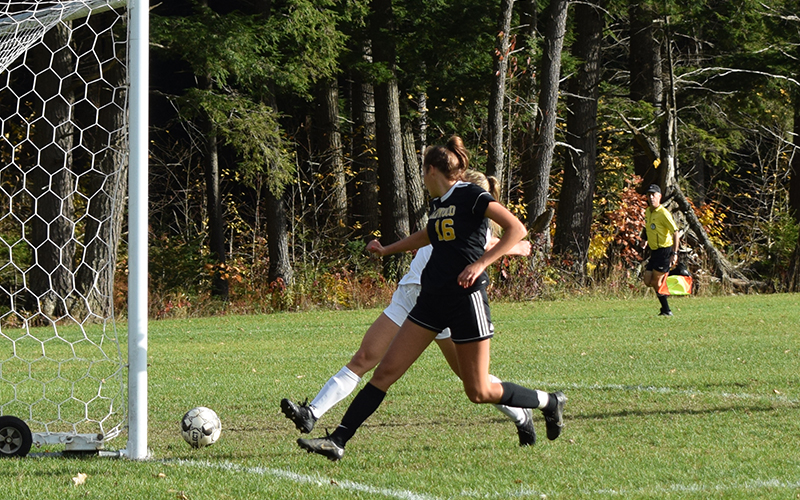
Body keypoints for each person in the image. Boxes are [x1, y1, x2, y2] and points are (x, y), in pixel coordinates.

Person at [296, 136, 566, 461]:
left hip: (466, 301)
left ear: (431, 170)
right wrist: (386, 249)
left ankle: (549, 402)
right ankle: (337, 441)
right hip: (431, 301)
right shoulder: (440, 204)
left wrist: (479, 264)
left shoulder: (471, 194)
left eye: (422, 172)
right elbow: (427, 235)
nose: (422, 179)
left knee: (478, 391)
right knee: (384, 374)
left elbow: (516, 229)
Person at [641, 183, 681, 316]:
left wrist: (674, 253)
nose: (651, 197)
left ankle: (666, 310)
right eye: (649, 195)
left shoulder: (664, 213)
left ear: (659, 196)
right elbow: (647, 227)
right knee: (647, 281)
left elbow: (675, 232)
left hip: (664, 251)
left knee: (655, 282)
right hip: (654, 251)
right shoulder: (648, 211)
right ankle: (668, 279)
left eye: (654, 195)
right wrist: (644, 239)